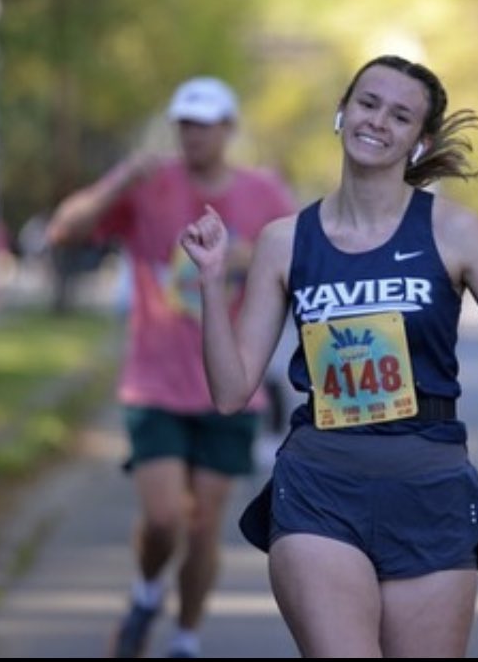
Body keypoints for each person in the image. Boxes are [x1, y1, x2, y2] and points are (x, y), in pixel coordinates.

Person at [178, 54, 478, 657]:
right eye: (368, 103)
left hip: (430, 489)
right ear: (342, 112)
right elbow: (231, 390)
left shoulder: (455, 233)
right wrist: (212, 282)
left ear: (419, 142)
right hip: (320, 485)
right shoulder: (285, 241)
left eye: (401, 115)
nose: (378, 121)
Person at [45, 76, 296, 658]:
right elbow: (64, 229)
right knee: (164, 520)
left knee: (204, 524)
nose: (194, 134)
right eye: (185, 123)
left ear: (228, 129)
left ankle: (185, 638)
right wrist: (118, 182)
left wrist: (249, 254)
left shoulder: (263, 194)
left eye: (205, 124)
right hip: (154, 381)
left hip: (230, 385)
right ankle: (145, 591)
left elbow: (304, 254)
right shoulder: (147, 184)